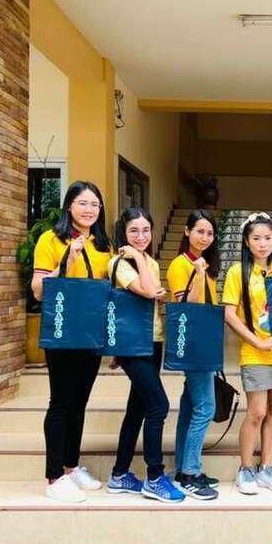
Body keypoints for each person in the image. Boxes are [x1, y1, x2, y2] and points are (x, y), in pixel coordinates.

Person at [31, 180, 113, 503]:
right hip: (64, 331)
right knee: (61, 402)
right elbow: (39, 290)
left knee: (80, 401)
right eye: (83, 203)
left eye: (95, 204)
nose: (89, 210)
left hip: (90, 332)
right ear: (69, 205)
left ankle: (70, 466)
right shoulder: (50, 240)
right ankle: (54, 477)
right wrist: (65, 260)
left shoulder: (103, 244)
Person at [105, 208, 184, 503]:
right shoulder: (119, 262)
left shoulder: (149, 260)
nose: (141, 236)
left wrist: (143, 261)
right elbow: (150, 292)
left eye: (146, 230)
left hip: (152, 340)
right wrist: (137, 257)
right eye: (134, 231)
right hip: (133, 345)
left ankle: (119, 474)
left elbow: (150, 299)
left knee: (137, 409)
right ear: (123, 233)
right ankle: (154, 477)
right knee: (158, 405)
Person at [223, 213, 272, 494]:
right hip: (255, 353)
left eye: (268, 238)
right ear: (246, 241)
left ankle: (266, 467)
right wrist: (257, 341)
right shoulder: (237, 272)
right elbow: (230, 315)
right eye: (256, 238)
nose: (263, 243)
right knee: (256, 412)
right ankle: (245, 469)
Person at [166, 209, 221, 501]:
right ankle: (190, 473)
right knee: (205, 408)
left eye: (210, 233)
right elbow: (189, 306)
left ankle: (182, 467)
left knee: (190, 407)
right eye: (200, 231)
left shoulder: (204, 264)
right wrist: (198, 274)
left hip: (203, 342)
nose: (205, 237)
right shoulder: (181, 265)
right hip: (194, 345)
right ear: (187, 231)